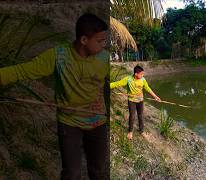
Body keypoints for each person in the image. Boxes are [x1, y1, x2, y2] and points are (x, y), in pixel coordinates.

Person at [0, 13, 108, 179]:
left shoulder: (104, 59)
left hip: (98, 122)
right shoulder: (59, 56)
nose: (104, 45)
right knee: (71, 174)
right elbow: (23, 70)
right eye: (100, 41)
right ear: (84, 40)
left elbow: (112, 84)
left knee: (99, 172)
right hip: (69, 123)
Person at [110, 65, 161, 140]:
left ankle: (142, 131)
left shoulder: (143, 80)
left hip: (140, 100)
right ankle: (130, 131)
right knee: (132, 116)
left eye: (143, 74)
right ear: (136, 74)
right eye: (141, 74)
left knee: (140, 115)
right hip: (132, 101)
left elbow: (147, 88)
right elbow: (118, 83)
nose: (143, 75)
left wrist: (155, 96)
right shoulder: (128, 79)